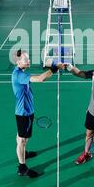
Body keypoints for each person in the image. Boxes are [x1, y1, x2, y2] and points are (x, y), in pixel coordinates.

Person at [12, 49, 64, 178]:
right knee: (22, 139)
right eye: (26, 59)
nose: (29, 61)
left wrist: (52, 70)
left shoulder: (23, 72)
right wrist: (54, 68)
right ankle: (22, 167)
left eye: (28, 58)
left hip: (28, 111)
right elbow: (40, 79)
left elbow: (42, 79)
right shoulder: (19, 75)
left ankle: (24, 153)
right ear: (18, 61)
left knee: (24, 137)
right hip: (22, 113)